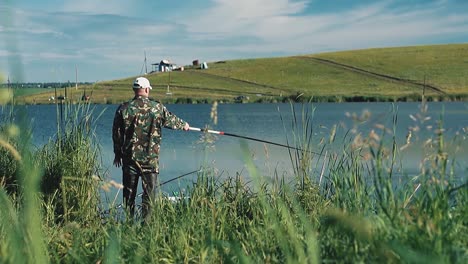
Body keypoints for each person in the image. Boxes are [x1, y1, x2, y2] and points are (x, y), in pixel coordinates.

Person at [112, 76, 190, 219]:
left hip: (130, 160)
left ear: (135, 90)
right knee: (149, 195)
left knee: (128, 196)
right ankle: (147, 228)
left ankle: (128, 225)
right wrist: (184, 125)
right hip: (150, 160)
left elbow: (117, 133)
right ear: (147, 89)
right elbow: (172, 121)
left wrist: (117, 154)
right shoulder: (157, 107)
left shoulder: (123, 108)